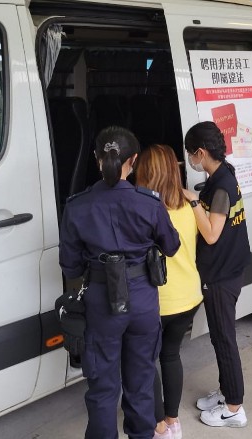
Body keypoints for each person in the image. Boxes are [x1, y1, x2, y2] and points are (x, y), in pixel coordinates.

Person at [59, 127, 180, 439]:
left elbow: (70, 266)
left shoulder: (77, 205)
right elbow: (171, 246)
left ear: (97, 159)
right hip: (142, 301)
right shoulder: (149, 203)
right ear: (134, 160)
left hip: (100, 302)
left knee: (102, 389)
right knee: (140, 383)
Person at [182, 121, 251, 428]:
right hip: (227, 268)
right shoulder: (222, 174)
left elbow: (211, 234)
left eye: (190, 154)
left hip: (222, 275)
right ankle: (226, 392)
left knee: (224, 338)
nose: (190, 160)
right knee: (220, 336)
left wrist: (193, 202)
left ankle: (234, 407)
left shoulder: (221, 185)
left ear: (200, 152)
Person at [135, 144, 204, 439]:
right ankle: (173, 422)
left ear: (146, 173)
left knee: (145, 360)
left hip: (159, 301)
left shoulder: (144, 211)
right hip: (189, 297)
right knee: (171, 355)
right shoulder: (188, 206)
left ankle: (159, 426)